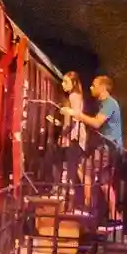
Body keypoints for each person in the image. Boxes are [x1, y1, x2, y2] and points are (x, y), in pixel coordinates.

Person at [64, 76, 123, 223]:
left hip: (107, 147)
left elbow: (97, 123)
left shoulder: (109, 103)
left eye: (93, 85)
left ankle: (88, 206)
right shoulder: (105, 104)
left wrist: (77, 115)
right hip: (108, 147)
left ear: (102, 87)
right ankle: (114, 215)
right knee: (104, 182)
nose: (91, 87)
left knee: (84, 170)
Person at [57, 71, 89, 203]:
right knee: (74, 168)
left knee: (71, 168)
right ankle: (74, 197)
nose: (62, 84)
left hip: (74, 138)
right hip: (74, 136)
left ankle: (71, 197)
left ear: (74, 83)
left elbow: (76, 116)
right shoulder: (76, 96)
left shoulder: (74, 96)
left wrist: (67, 111)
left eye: (66, 82)